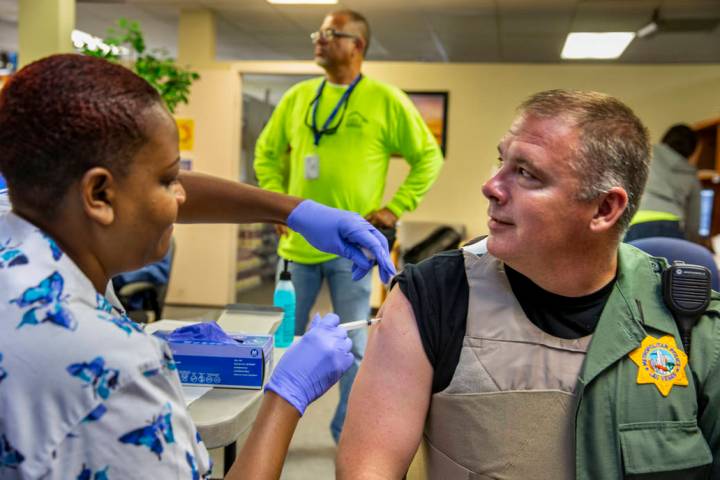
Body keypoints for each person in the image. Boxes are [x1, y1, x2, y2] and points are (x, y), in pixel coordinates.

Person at [0, 53, 394, 479]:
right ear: (98, 194)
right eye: (169, 180)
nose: (182, 197)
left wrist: (294, 210)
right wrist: (286, 397)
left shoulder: (17, 219)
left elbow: (141, 187)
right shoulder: (116, 369)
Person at [337, 90, 720, 479]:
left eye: (526, 173)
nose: (491, 186)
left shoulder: (690, 322)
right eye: (502, 160)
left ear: (604, 209)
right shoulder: (432, 296)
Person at [254, 9, 443, 442]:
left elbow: (428, 158)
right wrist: (277, 203)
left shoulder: (385, 99)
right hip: (296, 251)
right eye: (317, 32)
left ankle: (347, 433)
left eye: (330, 33)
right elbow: (266, 153)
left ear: (357, 45)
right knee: (278, 345)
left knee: (356, 349)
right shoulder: (299, 96)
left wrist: (396, 207)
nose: (318, 39)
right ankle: (266, 431)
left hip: (351, 252)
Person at [625, 124, 702, 242]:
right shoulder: (691, 175)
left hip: (636, 222)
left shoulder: (644, 155)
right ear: (692, 151)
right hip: (672, 226)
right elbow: (694, 224)